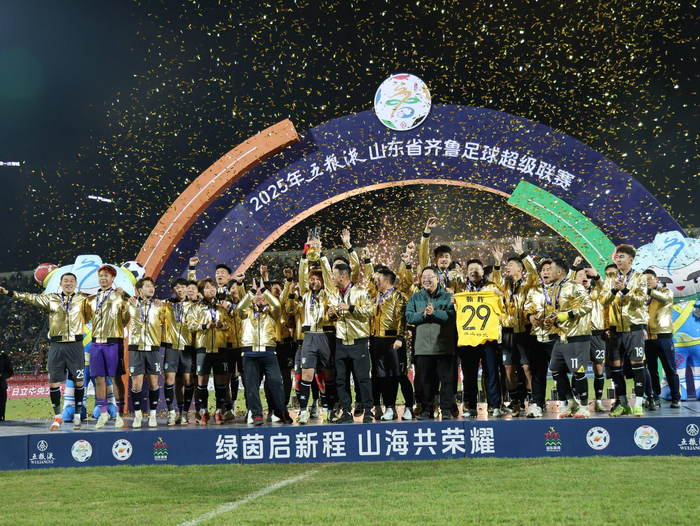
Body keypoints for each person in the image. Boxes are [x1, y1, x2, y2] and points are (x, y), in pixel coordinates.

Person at [0, 273, 88, 430]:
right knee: (53, 382)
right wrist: (8, 292)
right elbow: (30, 298)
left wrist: (121, 294)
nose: (68, 283)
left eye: (71, 281)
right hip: (56, 345)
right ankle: (57, 417)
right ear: (61, 284)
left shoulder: (84, 299)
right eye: (65, 281)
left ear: (76, 284)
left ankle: (77, 415)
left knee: (79, 382)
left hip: (75, 345)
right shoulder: (51, 298)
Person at [322, 257, 376, 424]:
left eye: (334, 275)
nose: (332, 278)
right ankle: (346, 411)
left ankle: (368, 411)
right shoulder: (334, 294)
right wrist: (331, 315)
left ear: (343, 276)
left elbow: (371, 311)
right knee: (341, 380)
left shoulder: (360, 292)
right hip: (341, 342)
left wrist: (350, 307)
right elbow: (334, 318)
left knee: (363, 379)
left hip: (358, 342)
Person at [235, 278, 292, 425]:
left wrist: (265, 291)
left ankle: (281, 411)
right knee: (252, 386)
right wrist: (252, 291)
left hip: (269, 352)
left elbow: (277, 304)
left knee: (276, 383)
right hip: (249, 353)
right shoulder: (246, 312)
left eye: (263, 294)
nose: (260, 296)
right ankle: (256, 415)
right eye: (257, 294)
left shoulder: (273, 312)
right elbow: (239, 308)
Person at [600, 245, 649, 417]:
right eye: (617, 257)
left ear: (631, 260)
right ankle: (623, 403)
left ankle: (639, 404)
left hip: (634, 328)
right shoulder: (610, 277)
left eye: (622, 256)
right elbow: (603, 300)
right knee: (615, 369)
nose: (618, 259)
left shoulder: (640, 278)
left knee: (637, 365)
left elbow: (641, 301)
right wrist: (614, 289)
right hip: (615, 330)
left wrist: (625, 290)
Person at [492, 237, 538, 416]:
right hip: (507, 332)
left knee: (527, 368)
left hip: (525, 331)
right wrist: (497, 263)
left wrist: (522, 253)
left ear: (520, 268)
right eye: (507, 265)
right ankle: (515, 401)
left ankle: (531, 400)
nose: (508, 268)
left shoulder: (528, 284)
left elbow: (533, 271)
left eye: (510, 265)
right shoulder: (505, 285)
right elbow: (496, 279)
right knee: (508, 369)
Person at [543, 259, 593, 417]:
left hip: (577, 335)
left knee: (578, 372)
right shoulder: (555, 288)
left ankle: (584, 407)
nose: (547, 272)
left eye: (550, 269)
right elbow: (558, 311)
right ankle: (572, 402)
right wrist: (551, 319)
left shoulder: (574, 286)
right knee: (555, 368)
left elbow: (588, 305)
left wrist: (568, 315)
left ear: (559, 272)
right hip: (562, 335)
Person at [405, 266, 456, 420]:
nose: (426, 280)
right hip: (423, 348)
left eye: (429, 277)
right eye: (423, 277)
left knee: (446, 381)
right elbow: (409, 317)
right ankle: (427, 410)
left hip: (444, 347)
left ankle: (446, 409)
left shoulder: (448, 297)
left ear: (437, 278)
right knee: (426, 382)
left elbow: (451, 316)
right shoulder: (415, 297)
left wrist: (434, 313)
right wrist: (424, 315)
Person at [459, 259, 507, 417]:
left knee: (491, 372)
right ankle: (471, 406)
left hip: (488, 338)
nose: (473, 272)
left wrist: (501, 297)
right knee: (469, 375)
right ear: (467, 272)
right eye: (470, 269)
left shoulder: (492, 287)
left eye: (477, 269)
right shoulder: (460, 288)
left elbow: (503, 310)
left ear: (482, 271)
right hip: (468, 338)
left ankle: (495, 406)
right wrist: (452, 299)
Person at [84, 265, 130, 429]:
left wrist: (125, 295)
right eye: (101, 276)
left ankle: (120, 413)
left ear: (113, 278)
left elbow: (126, 318)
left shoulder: (120, 296)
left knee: (116, 378)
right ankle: (103, 413)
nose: (103, 278)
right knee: (99, 378)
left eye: (106, 276)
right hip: (96, 342)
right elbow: (85, 318)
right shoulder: (91, 299)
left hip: (114, 342)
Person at [294, 250, 336, 425]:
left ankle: (327, 410)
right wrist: (305, 257)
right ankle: (303, 411)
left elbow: (328, 275)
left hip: (326, 337)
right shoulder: (305, 293)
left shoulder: (329, 292)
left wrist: (322, 255)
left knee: (328, 376)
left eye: (317, 279)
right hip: (309, 337)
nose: (314, 282)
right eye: (312, 279)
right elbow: (301, 276)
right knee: (307, 375)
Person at [185, 278, 231, 425]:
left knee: (221, 381)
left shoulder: (221, 306)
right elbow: (190, 325)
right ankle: (204, 411)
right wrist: (205, 326)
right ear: (201, 292)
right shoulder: (196, 307)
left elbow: (229, 326)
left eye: (213, 287)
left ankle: (218, 411)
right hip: (202, 348)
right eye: (207, 287)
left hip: (220, 347)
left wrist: (221, 325)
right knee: (202, 381)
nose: (212, 289)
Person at [127, 277, 167, 428]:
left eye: (152, 286)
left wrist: (162, 305)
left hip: (153, 348)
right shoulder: (131, 304)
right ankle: (137, 415)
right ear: (139, 290)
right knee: (136, 383)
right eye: (148, 286)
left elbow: (165, 322)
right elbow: (122, 321)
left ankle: (153, 414)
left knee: (153, 382)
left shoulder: (158, 306)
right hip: (135, 348)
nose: (151, 289)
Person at [369, 268, 408, 421]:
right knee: (383, 376)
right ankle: (389, 407)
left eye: (378, 280)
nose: (375, 282)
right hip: (377, 340)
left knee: (400, 375)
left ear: (386, 281)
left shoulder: (398, 295)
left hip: (394, 340)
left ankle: (409, 407)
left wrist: (400, 337)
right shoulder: (376, 296)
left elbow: (402, 317)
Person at [572, 261, 607, 413]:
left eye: (587, 275)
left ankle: (598, 401)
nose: (584, 277)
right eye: (580, 275)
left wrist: (597, 276)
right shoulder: (572, 293)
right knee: (578, 369)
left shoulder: (598, 290)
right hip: (579, 335)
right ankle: (576, 402)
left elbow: (606, 287)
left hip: (597, 334)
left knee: (598, 367)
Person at [643, 269, 681, 408]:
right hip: (648, 338)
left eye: (649, 278)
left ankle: (676, 398)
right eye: (644, 280)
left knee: (670, 369)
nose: (647, 282)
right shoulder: (644, 297)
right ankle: (655, 396)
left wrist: (648, 291)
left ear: (656, 279)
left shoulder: (665, 291)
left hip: (664, 336)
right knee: (652, 370)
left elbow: (665, 299)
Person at [162, 277, 197, 425]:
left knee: (187, 381)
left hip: (188, 348)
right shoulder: (167, 305)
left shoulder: (194, 305)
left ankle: (184, 413)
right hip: (171, 348)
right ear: (173, 290)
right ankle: (172, 412)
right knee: (170, 381)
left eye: (183, 287)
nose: (180, 290)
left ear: (187, 289)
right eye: (177, 287)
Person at [524, 259, 555, 418]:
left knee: (559, 372)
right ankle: (537, 403)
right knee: (537, 372)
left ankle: (565, 402)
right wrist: (530, 316)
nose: (546, 272)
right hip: (536, 336)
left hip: (555, 336)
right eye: (544, 270)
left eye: (549, 269)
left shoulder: (562, 289)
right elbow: (526, 308)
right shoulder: (534, 290)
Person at [0, 349, 12, 421]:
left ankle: (1, 417)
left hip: (1, 385)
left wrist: (2, 375)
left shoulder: (4, 357)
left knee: (2, 403)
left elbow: (10, 371)